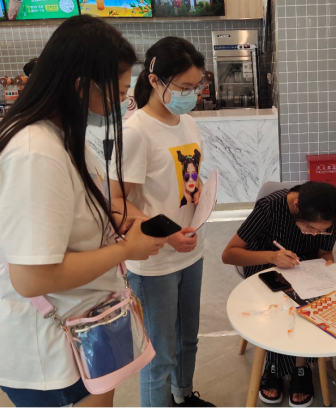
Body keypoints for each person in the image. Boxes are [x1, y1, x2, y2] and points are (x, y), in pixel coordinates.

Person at [0, 16, 167, 408]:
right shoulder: (35, 154)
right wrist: (126, 250)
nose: (121, 104)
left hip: (88, 327)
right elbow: (32, 278)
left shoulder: (60, 136)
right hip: (51, 350)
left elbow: (81, 211)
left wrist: (132, 223)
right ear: (82, 86)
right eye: (118, 93)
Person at [109, 37, 215, 409]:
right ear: (155, 81)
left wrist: (199, 191)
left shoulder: (187, 122)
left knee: (188, 340)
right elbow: (117, 202)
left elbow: (186, 176)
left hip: (191, 251)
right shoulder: (136, 132)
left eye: (197, 86)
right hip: (154, 263)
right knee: (159, 354)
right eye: (185, 87)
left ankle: (183, 396)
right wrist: (168, 234)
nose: (193, 95)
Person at [222, 181, 336, 409]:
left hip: (304, 269)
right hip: (264, 265)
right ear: (296, 206)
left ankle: (297, 365)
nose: (315, 234)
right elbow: (229, 254)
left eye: (322, 231)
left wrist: (327, 265)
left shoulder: (330, 213)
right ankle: (278, 365)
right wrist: (272, 257)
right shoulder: (269, 207)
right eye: (311, 228)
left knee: (311, 302)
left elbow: (324, 252)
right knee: (281, 300)